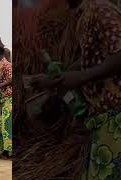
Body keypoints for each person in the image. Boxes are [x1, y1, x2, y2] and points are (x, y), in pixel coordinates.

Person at [31, 0, 121, 179]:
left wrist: (81, 77)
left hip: (116, 117)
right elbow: (90, 57)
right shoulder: (85, 15)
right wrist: (55, 78)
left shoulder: (100, 9)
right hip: (102, 119)